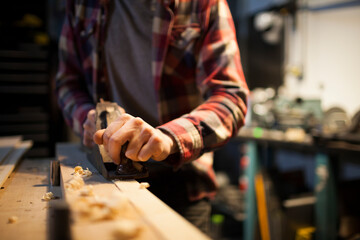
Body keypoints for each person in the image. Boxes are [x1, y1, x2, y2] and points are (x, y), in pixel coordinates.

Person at [56, 0, 248, 234]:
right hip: (101, 181)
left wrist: (169, 139)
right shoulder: (82, 5)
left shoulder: (205, 4)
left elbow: (230, 97)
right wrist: (85, 117)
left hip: (181, 181)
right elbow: (67, 83)